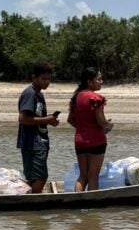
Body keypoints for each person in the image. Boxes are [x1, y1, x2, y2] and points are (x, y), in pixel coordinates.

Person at [67, 67, 113, 191]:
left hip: (80, 140)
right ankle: (91, 208)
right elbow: (100, 121)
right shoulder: (96, 98)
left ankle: (77, 202)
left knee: (83, 176)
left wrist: (84, 127)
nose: (101, 81)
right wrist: (108, 126)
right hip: (96, 140)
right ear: (89, 82)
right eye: (98, 79)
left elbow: (70, 120)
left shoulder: (76, 97)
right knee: (93, 177)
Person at [17, 62, 59, 193]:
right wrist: (47, 119)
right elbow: (23, 119)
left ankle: (28, 201)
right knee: (40, 177)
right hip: (32, 143)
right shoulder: (30, 94)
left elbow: (37, 118)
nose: (47, 82)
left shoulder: (39, 94)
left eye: (49, 79)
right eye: (44, 79)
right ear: (34, 78)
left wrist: (50, 121)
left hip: (40, 142)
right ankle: (31, 205)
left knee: (35, 177)